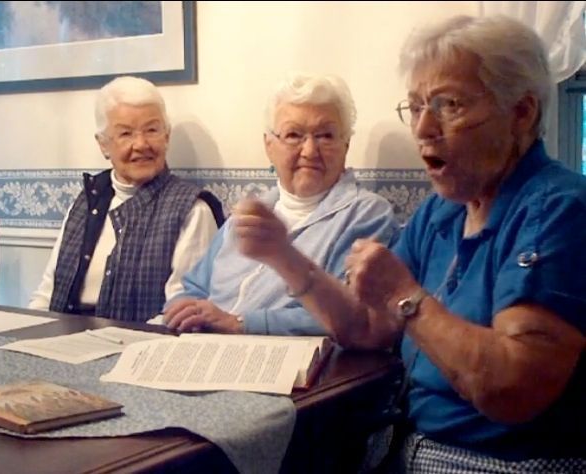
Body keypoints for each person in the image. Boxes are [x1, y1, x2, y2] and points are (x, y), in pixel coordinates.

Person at [235, 16, 585, 472]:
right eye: (416, 107)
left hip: (499, 463)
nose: (423, 128)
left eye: (449, 105)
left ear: (522, 113)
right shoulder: (443, 210)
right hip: (410, 447)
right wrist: (283, 256)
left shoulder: (557, 209)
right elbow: (367, 326)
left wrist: (406, 296)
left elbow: (513, 389)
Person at [163, 73, 398, 335]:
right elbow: (193, 287)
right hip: (205, 345)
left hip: (283, 354)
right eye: (294, 135)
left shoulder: (366, 214)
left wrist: (240, 323)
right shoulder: (253, 211)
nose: (310, 151)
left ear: (346, 144)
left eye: (325, 136)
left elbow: (355, 316)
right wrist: (182, 308)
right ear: (269, 146)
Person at [29, 76, 222, 321]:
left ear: (166, 137)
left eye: (152, 130)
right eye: (126, 133)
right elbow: (47, 293)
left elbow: (181, 312)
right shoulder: (88, 200)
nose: (141, 144)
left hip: (145, 339)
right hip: (65, 334)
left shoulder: (192, 210)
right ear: (103, 145)